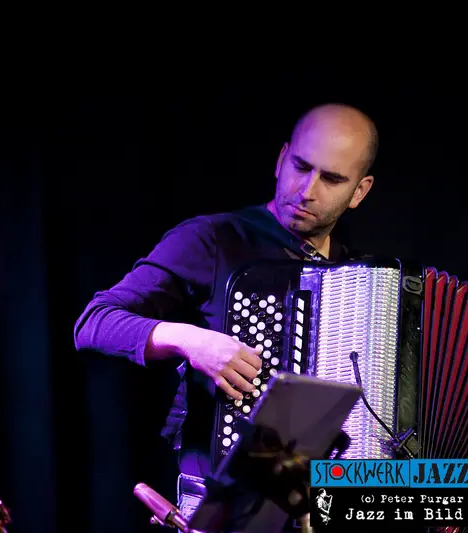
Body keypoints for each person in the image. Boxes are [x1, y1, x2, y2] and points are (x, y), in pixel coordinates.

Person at [73, 102, 378, 520]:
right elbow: (94, 322)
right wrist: (188, 339)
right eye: (300, 166)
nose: (307, 190)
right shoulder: (213, 240)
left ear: (359, 191)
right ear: (280, 158)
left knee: (438, 499)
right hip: (225, 502)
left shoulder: (357, 280)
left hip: (326, 504)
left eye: (331, 178)